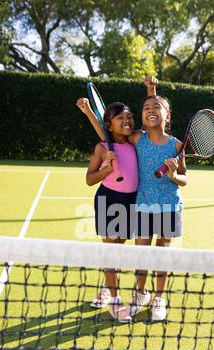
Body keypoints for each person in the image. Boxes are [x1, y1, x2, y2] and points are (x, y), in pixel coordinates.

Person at [76, 79, 156, 322]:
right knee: (111, 251)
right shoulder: (103, 147)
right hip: (109, 200)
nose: (127, 121)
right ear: (110, 125)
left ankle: (106, 287)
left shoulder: (134, 142)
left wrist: (151, 91)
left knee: (119, 249)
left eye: (129, 116)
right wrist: (107, 169)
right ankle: (115, 299)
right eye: (120, 118)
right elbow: (90, 179)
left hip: (132, 201)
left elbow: (152, 120)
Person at [126, 94, 187, 321]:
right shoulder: (137, 139)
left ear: (167, 115)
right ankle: (140, 293)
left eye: (157, 107)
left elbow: (184, 179)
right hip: (143, 205)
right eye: (145, 107)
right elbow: (109, 131)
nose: (150, 110)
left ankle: (159, 297)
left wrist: (173, 175)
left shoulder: (177, 145)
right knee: (142, 253)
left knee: (162, 253)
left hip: (170, 207)